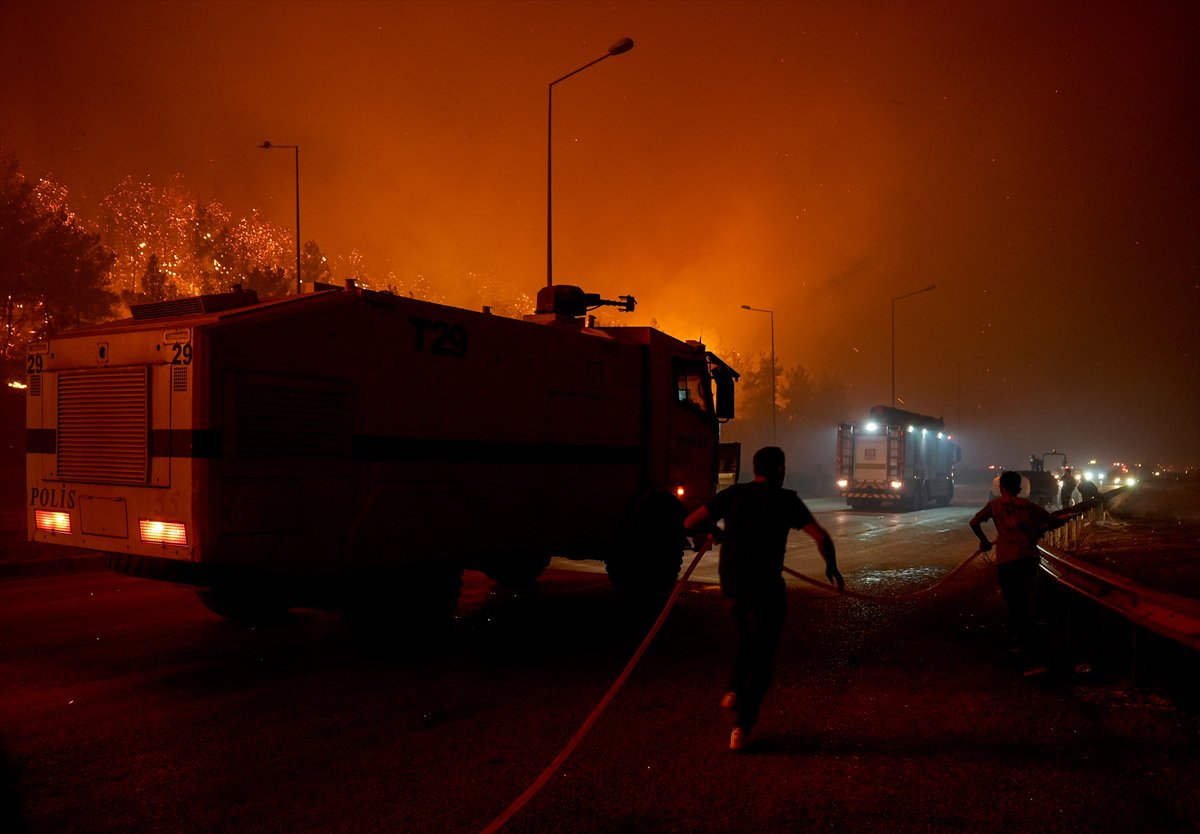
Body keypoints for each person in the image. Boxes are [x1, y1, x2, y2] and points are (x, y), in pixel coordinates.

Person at [684, 446, 843, 751]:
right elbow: (821, 537)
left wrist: (715, 532)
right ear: (781, 470)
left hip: (732, 586)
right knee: (764, 657)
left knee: (747, 636)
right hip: (766, 588)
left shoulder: (732, 495)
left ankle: (733, 689)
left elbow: (690, 522)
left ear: (755, 468)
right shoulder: (786, 500)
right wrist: (831, 566)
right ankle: (742, 727)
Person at [969, 469, 1066, 675]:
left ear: (1000, 488)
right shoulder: (1029, 506)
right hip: (1028, 560)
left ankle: (1026, 651)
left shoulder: (994, 505)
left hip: (1007, 562)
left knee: (1014, 603)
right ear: (1020, 489)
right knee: (1025, 602)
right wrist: (1041, 528)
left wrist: (985, 541)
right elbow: (1054, 522)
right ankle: (1024, 644)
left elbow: (974, 522)